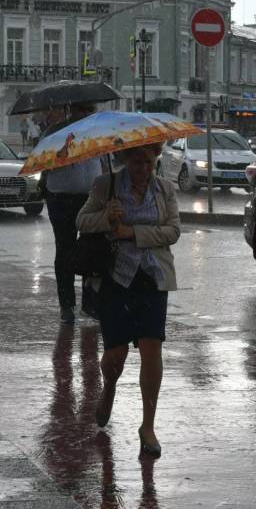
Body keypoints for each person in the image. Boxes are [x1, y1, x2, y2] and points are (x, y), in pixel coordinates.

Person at [76, 143, 180, 458]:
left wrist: (131, 232)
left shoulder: (164, 189)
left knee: (152, 349)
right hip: (116, 279)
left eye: (149, 162)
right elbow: (81, 222)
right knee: (115, 356)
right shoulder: (104, 185)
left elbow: (173, 231)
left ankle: (148, 425)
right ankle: (109, 387)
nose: (143, 169)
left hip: (152, 279)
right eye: (137, 162)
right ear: (125, 161)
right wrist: (106, 218)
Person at [43, 104, 102, 323]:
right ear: (71, 110)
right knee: (65, 248)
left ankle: (90, 304)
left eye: (89, 110)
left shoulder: (99, 133)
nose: (85, 114)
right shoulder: (54, 133)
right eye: (81, 110)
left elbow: (108, 162)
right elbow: (44, 163)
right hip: (61, 198)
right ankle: (67, 304)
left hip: (92, 196)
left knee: (93, 249)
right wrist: (64, 152)